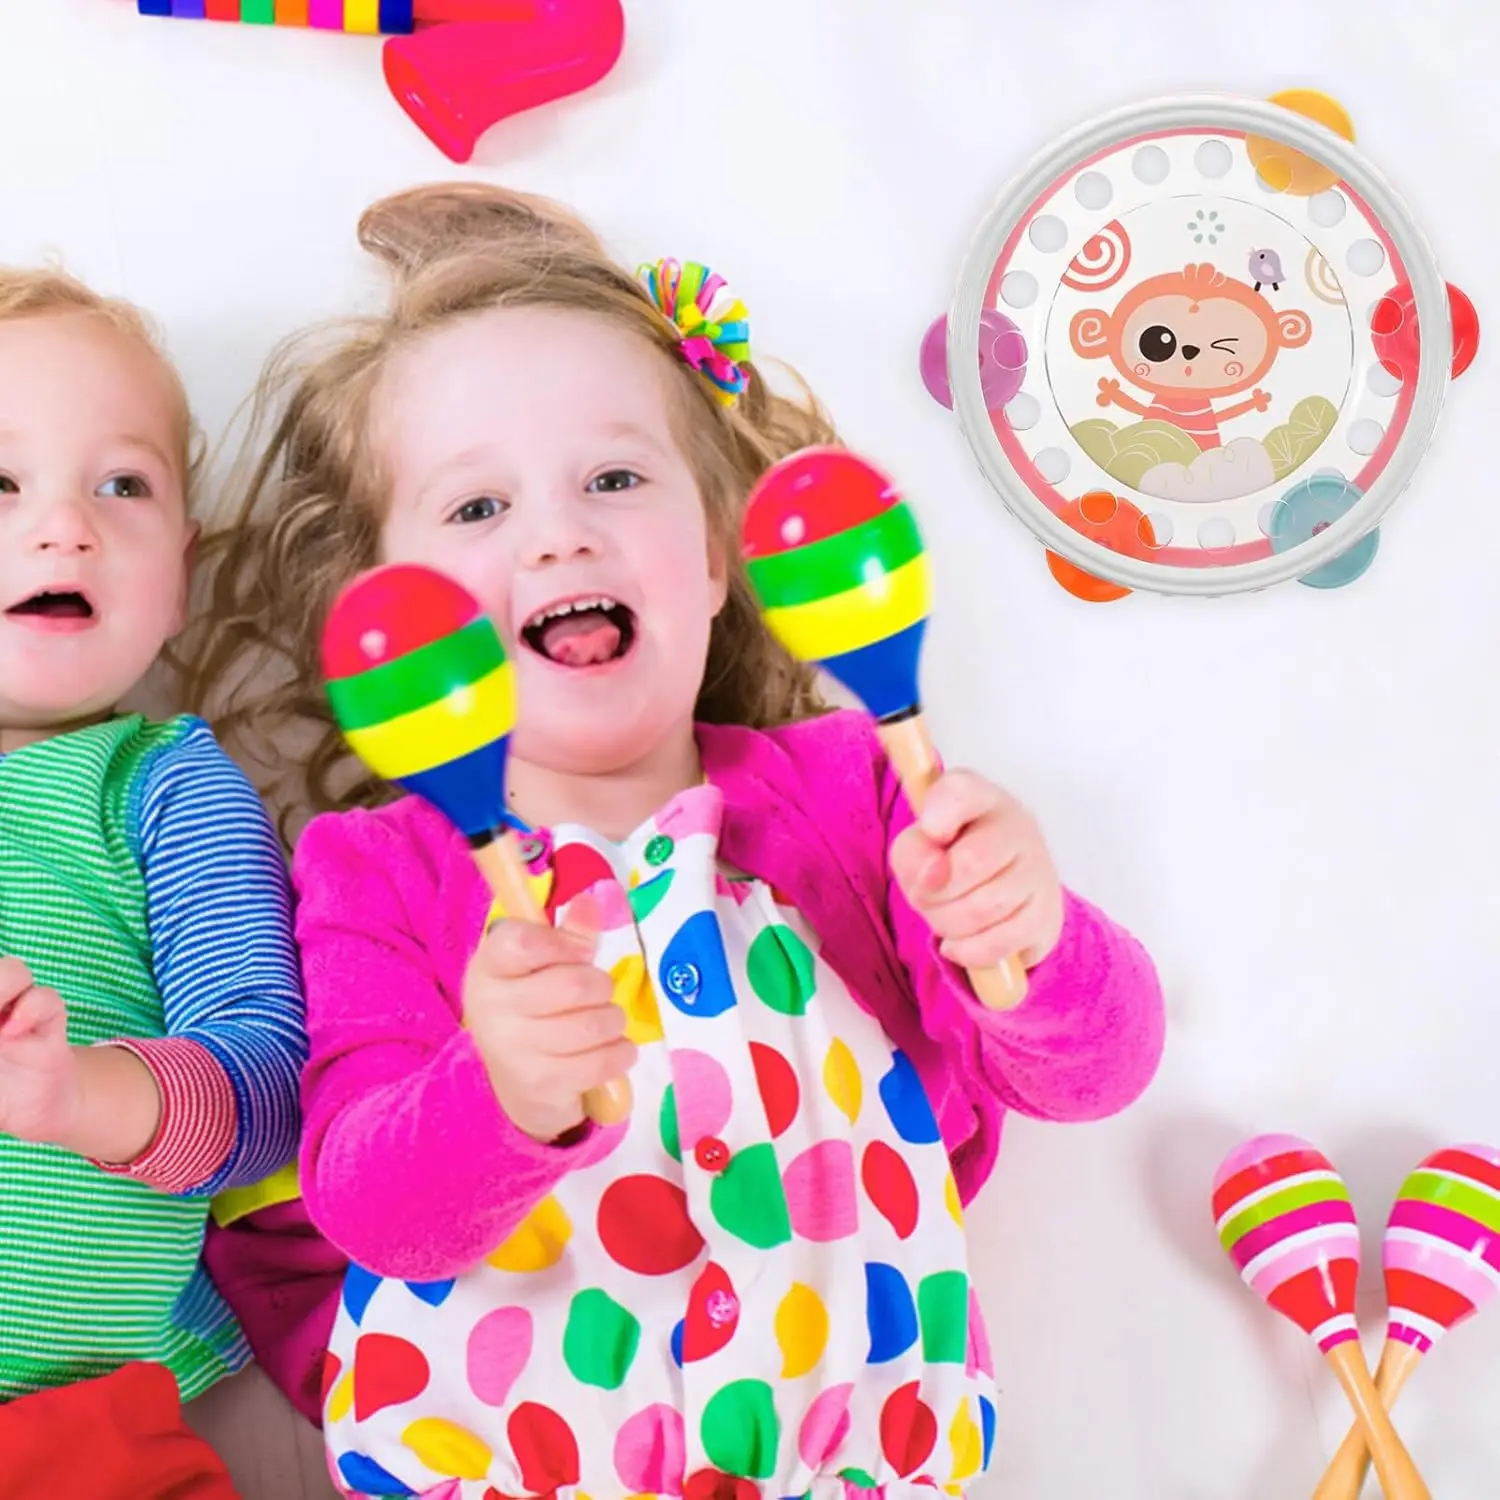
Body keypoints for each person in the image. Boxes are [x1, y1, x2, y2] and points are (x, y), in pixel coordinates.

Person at [183, 182, 1166, 1500]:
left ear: (714, 557)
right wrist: (502, 1093)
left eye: (614, 477)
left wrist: (1031, 936)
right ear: (390, 617)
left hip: (856, 1460)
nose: (558, 530)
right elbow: (369, 1210)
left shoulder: (861, 793)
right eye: (476, 509)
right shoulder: (377, 872)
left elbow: (1089, 1077)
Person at [0, 268, 306, 1496]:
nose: (63, 528)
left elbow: (269, 1089)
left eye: (121, 485)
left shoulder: (159, 785)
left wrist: (83, 1097)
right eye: (1, 483)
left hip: (77, 1428)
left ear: (182, 564)